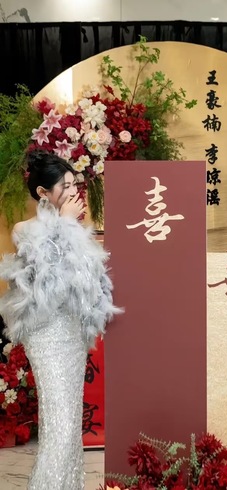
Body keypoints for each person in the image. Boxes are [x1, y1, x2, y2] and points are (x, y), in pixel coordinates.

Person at [0, 150, 122, 489]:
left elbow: (83, 279)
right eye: (64, 186)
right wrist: (64, 225)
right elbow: (45, 276)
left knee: (69, 427)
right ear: (43, 192)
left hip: (71, 332)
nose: (72, 191)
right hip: (46, 333)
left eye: (73, 184)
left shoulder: (76, 229)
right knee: (60, 425)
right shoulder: (24, 229)